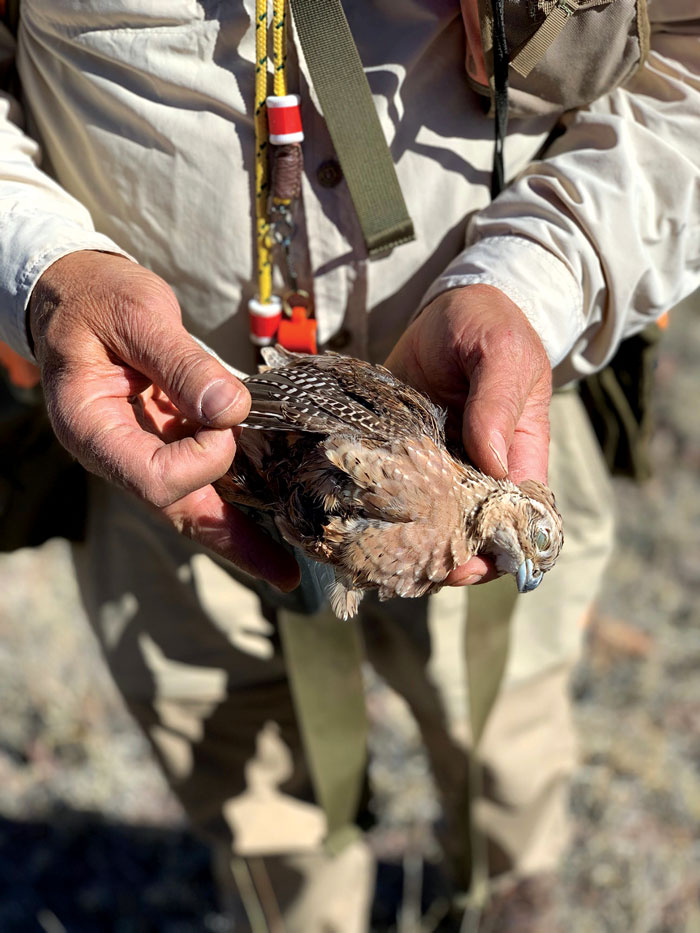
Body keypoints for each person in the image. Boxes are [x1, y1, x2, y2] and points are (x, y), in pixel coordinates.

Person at [1, 1, 697, 929]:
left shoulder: (495, 478)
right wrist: (46, 273)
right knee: (251, 782)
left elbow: (686, 63)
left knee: (506, 734)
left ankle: (504, 897)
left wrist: (539, 276)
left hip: (500, 376)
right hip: (158, 431)